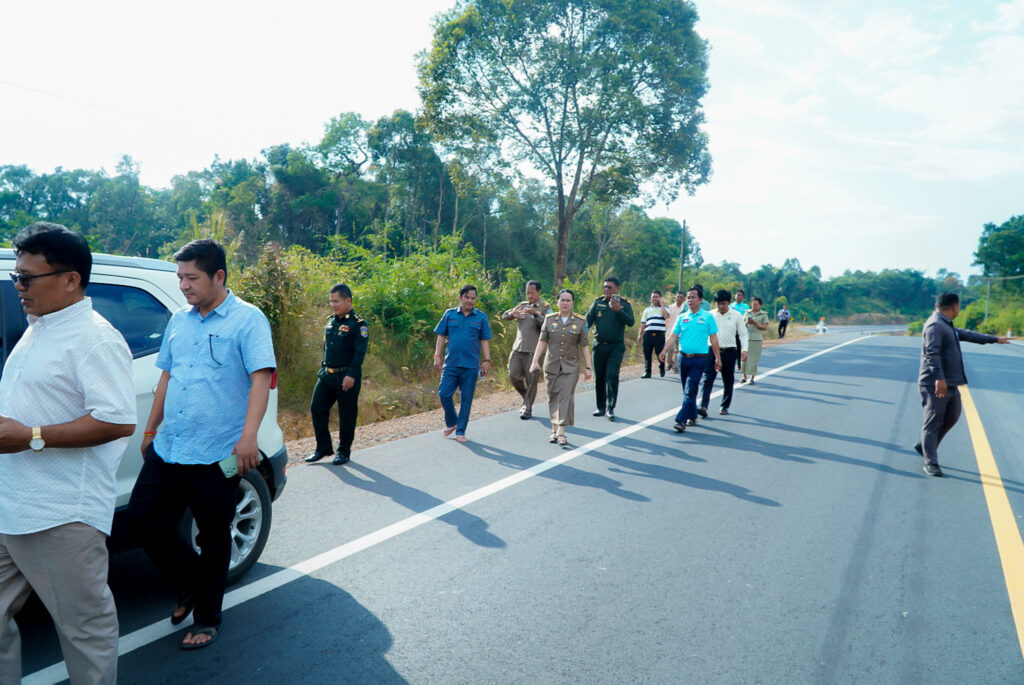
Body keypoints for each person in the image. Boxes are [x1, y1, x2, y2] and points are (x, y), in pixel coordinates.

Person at [0, 223, 136, 684]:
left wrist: (31, 436)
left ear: (71, 279)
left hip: (60, 514)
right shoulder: (38, 329)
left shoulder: (95, 338)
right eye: (16, 276)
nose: (18, 286)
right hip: (11, 505)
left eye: (26, 278)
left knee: (84, 630)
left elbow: (117, 420)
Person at [129, 239, 276, 650]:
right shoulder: (179, 319)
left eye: (191, 278)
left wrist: (248, 438)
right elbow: (166, 376)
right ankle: (191, 583)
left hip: (218, 450)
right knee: (144, 519)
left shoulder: (248, 320)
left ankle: (208, 618)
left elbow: (261, 379)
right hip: (171, 444)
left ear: (218, 276)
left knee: (213, 535)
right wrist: (150, 429)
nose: (183, 285)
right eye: (180, 277)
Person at [915, 292, 1008, 477]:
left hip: (950, 383)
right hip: (935, 384)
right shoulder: (935, 325)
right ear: (955, 307)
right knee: (933, 421)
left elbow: (967, 334)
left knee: (952, 417)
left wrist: (994, 339)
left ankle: (925, 446)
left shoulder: (946, 324)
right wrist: (939, 378)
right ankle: (930, 462)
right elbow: (931, 353)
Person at [305, 283, 368, 466]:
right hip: (327, 374)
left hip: (346, 375)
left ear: (348, 300)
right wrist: (323, 368)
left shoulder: (358, 324)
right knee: (317, 407)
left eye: (336, 301)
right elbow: (327, 348)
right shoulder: (331, 321)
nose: (333, 305)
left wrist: (352, 375)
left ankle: (343, 451)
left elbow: (359, 353)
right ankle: (323, 447)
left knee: (346, 414)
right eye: (331, 301)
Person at [530, 289, 593, 446]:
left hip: (571, 365)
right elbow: (542, 341)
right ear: (557, 302)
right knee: (553, 396)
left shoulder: (580, 321)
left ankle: (561, 432)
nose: (565, 303)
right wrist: (535, 361)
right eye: (562, 300)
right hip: (551, 364)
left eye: (568, 300)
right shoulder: (549, 319)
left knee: (566, 396)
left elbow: (584, 346)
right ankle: (554, 429)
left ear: (572, 303)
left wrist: (588, 367)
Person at [434, 285, 493, 442]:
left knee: (466, 400)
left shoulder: (481, 317)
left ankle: (460, 431)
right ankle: (452, 422)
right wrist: (437, 355)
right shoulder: (450, 314)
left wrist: (487, 360)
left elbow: (484, 340)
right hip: (451, 364)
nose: (470, 301)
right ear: (460, 298)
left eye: (473, 298)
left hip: (470, 366)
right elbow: (441, 335)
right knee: (443, 393)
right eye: (467, 297)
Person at [660, 288, 721, 432]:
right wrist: (664, 350)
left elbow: (714, 338)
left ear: (700, 300)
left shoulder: (707, 317)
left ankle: (681, 420)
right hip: (683, 358)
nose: (690, 300)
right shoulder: (682, 317)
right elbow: (673, 336)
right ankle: (693, 415)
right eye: (688, 297)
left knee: (690, 389)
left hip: (699, 359)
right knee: (687, 390)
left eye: (693, 297)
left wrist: (718, 358)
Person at [586, 277, 635, 421]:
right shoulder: (597, 302)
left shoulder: (624, 304)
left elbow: (631, 322)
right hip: (599, 345)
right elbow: (587, 322)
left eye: (609, 287)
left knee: (612, 375)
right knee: (599, 377)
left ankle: (610, 407)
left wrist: (618, 310)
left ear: (617, 289)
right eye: (605, 287)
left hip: (616, 347)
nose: (606, 289)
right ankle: (600, 407)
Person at [501, 280, 549, 419]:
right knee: (513, 376)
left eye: (532, 293)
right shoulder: (522, 305)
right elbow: (505, 315)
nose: (529, 296)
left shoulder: (545, 307)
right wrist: (512, 314)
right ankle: (527, 397)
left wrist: (535, 314)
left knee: (531, 380)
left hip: (534, 351)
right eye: (527, 292)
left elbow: (549, 324)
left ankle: (527, 408)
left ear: (539, 292)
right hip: (518, 348)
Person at [698, 289, 748, 417]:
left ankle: (724, 406)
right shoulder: (710, 315)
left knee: (728, 380)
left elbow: (743, 334)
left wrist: (744, 349)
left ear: (729, 303)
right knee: (708, 379)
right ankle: (704, 406)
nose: (721, 306)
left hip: (729, 351)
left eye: (724, 303)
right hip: (711, 351)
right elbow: (702, 333)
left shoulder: (736, 315)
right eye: (718, 303)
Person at [637, 290, 669, 378]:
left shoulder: (665, 308)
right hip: (648, 334)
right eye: (653, 297)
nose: (654, 298)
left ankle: (662, 367)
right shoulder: (647, 309)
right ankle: (647, 372)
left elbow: (666, 316)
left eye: (656, 297)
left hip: (659, 335)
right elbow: (643, 323)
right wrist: (640, 334)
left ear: (660, 298)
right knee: (647, 353)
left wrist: (662, 305)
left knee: (660, 353)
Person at [742, 297, 769, 384]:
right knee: (744, 358)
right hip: (746, 338)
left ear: (760, 305)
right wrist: (747, 322)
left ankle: (752, 378)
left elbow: (764, 327)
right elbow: (741, 325)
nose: (754, 306)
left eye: (756, 305)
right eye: (753, 304)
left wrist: (755, 323)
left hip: (756, 339)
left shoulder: (763, 314)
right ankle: (744, 376)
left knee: (754, 359)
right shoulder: (747, 313)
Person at [664, 290, 686, 373]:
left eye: (681, 297)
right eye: (678, 297)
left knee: (678, 350)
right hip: (671, 331)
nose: (679, 298)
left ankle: (675, 367)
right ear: (675, 297)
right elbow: (666, 318)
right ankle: (669, 363)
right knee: (669, 349)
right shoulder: (670, 307)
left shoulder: (685, 308)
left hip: (681, 332)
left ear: (683, 299)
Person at [731, 289, 750, 371]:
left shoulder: (746, 307)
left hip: (741, 329)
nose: (738, 297)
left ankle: (739, 363)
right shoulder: (731, 306)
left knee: (739, 346)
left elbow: (748, 317)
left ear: (743, 297)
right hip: (732, 329)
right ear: (735, 296)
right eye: (737, 295)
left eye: (740, 295)